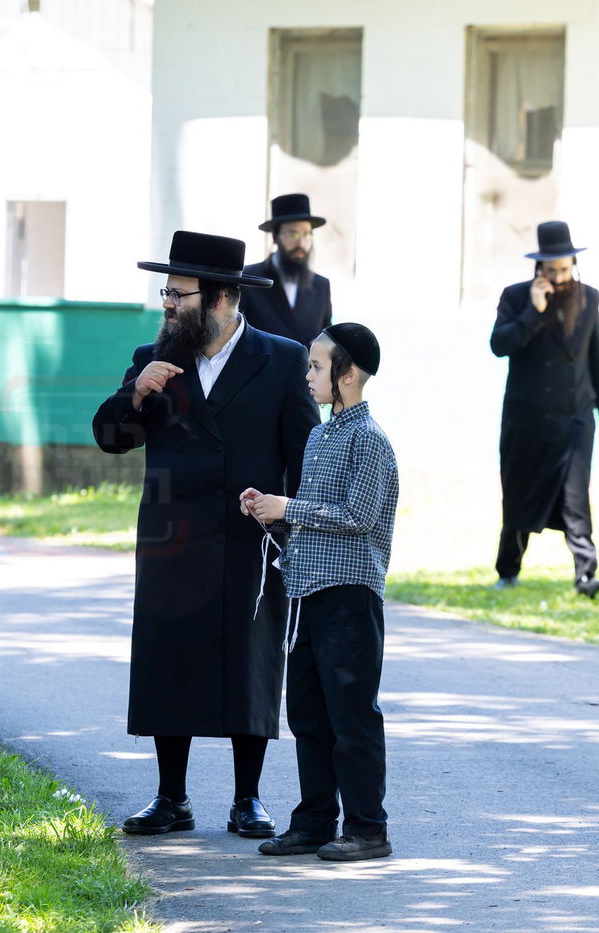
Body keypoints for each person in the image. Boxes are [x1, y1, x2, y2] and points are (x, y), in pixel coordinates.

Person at [92, 230, 320, 840]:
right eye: (165, 291)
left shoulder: (282, 359)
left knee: (251, 661)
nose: (167, 304)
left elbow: (306, 453)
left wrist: (294, 516)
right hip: (174, 535)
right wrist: (133, 396)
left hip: (253, 537)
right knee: (172, 660)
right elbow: (110, 439)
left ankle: (248, 799)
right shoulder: (153, 359)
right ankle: (171, 797)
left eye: (178, 293)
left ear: (219, 296)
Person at [241, 323, 399, 862]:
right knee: (307, 714)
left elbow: (358, 518)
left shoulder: (370, 440)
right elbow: (315, 520)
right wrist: (271, 511)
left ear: (347, 374)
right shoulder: (320, 435)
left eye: (316, 366)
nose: (308, 375)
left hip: (351, 598)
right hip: (307, 592)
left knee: (351, 717)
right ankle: (313, 821)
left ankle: (367, 828)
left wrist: (290, 507)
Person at [490, 222, 599, 598]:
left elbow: (596, 357)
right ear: (539, 268)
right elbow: (500, 344)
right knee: (518, 494)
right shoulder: (515, 297)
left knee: (576, 498)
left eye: (565, 270)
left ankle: (586, 576)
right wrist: (535, 311)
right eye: (552, 270)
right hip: (526, 419)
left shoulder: (589, 297)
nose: (560, 278)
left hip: (574, 416)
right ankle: (507, 571)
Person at [239, 194, 333, 347]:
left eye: (307, 234)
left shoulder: (321, 286)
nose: (301, 243)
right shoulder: (248, 280)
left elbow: (327, 340)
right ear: (276, 236)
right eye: (293, 234)